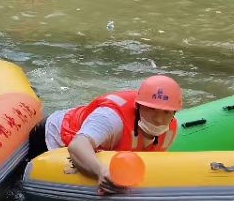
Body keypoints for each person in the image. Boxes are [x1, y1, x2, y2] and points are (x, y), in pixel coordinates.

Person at [28, 76, 183, 194]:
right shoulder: (111, 118)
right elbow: (77, 145)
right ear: (138, 106)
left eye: (166, 112)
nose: (158, 119)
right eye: (151, 109)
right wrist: (101, 171)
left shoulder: (170, 129)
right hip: (53, 136)